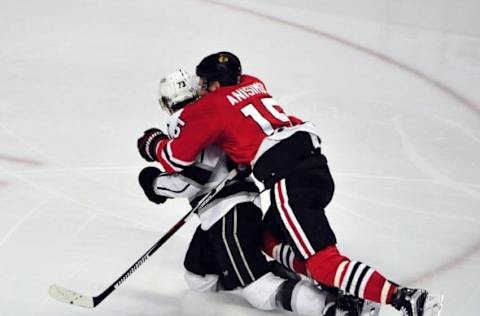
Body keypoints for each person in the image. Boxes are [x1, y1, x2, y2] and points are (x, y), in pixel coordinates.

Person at [137, 54, 441, 316]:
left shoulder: (208, 107)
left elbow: (178, 160)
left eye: (206, 82)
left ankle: (397, 297)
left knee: (322, 262)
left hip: (286, 175)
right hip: (312, 161)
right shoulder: (252, 82)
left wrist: (152, 151)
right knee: (268, 239)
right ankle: (328, 286)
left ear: (216, 84)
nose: (203, 88)